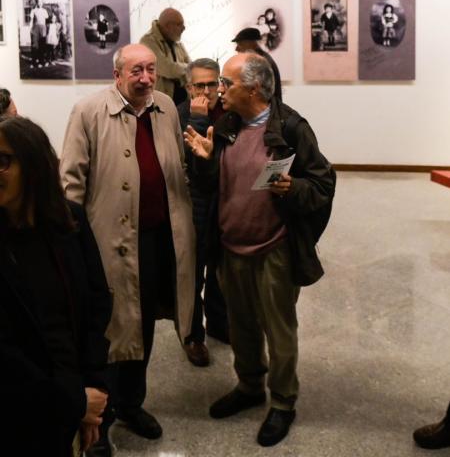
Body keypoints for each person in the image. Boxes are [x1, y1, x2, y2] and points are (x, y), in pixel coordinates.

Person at [184, 53, 336, 448]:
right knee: (241, 325)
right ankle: (250, 385)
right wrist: (205, 161)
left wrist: (295, 188)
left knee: (278, 330)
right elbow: (211, 186)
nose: (219, 90)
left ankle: (283, 402)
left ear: (253, 89)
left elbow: (322, 183)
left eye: (227, 83)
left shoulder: (291, 127)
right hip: (230, 246)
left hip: (275, 248)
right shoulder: (226, 126)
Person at [60, 43, 195, 456]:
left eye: (151, 69)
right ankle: (98, 423)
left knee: (143, 326)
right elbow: (70, 183)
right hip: (107, 244)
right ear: (117, 75)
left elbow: (178, 167)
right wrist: (71, 245)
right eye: (136, 71)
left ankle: (132, 404)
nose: (146, 78)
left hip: (156, 239)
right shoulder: (88, 112)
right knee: (106, 333)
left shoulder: (166, 108)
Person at [0, 115, 111, 457]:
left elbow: (96, 306)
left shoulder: (70, 221)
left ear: (35, 165)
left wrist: (92, 390)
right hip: (21, 411)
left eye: (3, 161)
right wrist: (75, 402)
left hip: (72, 392)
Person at [177, 58, 229, 367]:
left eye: (212, 84)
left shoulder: (229, 113)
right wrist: (198, 120)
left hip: (222, 206)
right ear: (188, 87)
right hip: (192, 207)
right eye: (200, 85)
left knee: (220, 273)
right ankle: (193, 336)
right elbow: (194, 166)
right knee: (192, 276)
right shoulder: (178, 115)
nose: (206, 91)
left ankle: (220, 325)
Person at [139, 8, 190, 104]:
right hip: (161, 103)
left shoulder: (176, 41)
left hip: (182, 101)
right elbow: (167, 69)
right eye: (179, 24)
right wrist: (188, 68)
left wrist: (190, 68)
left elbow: (193, 66)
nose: (184, 28)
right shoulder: (148, 41)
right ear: (167, 26)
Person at [232, 27, 282, 100]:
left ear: (252, 43)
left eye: (240, 44)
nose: (236, 49)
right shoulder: (262, 59)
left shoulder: (260, 63)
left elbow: (262, 94)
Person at [29, 0, 48, 69]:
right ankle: (34, 62)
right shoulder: (33, 11)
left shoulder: (44, 11)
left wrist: (45, 31)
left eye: (41, 2)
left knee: (42, 45)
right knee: (35, 46)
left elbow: (46, 21)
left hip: (42, 28)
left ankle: (41, 62)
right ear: (36, 2)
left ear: (42, 3)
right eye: (38, 1)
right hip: (35, 28)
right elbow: (31, 21)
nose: (40, 3)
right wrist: (30, 29)